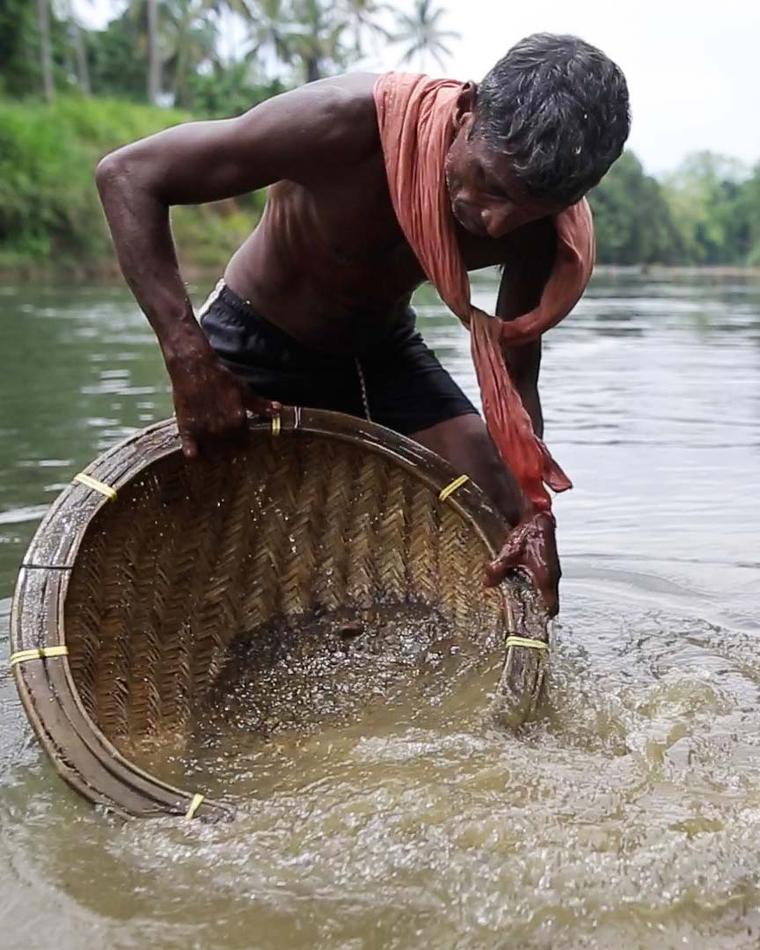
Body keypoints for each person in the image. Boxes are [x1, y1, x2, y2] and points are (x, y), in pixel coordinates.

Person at [95, 32, 630, 617]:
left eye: (527, 210)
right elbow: (128, 175)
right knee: (191, 534)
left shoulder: (540, 225)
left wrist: (535, 508)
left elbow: (515, 374)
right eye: (491, 185)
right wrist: (190, 359)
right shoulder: (345, 126)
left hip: (382, 349)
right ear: (468, 112)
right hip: (254, 339)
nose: (497, 224)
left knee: (499, 508)